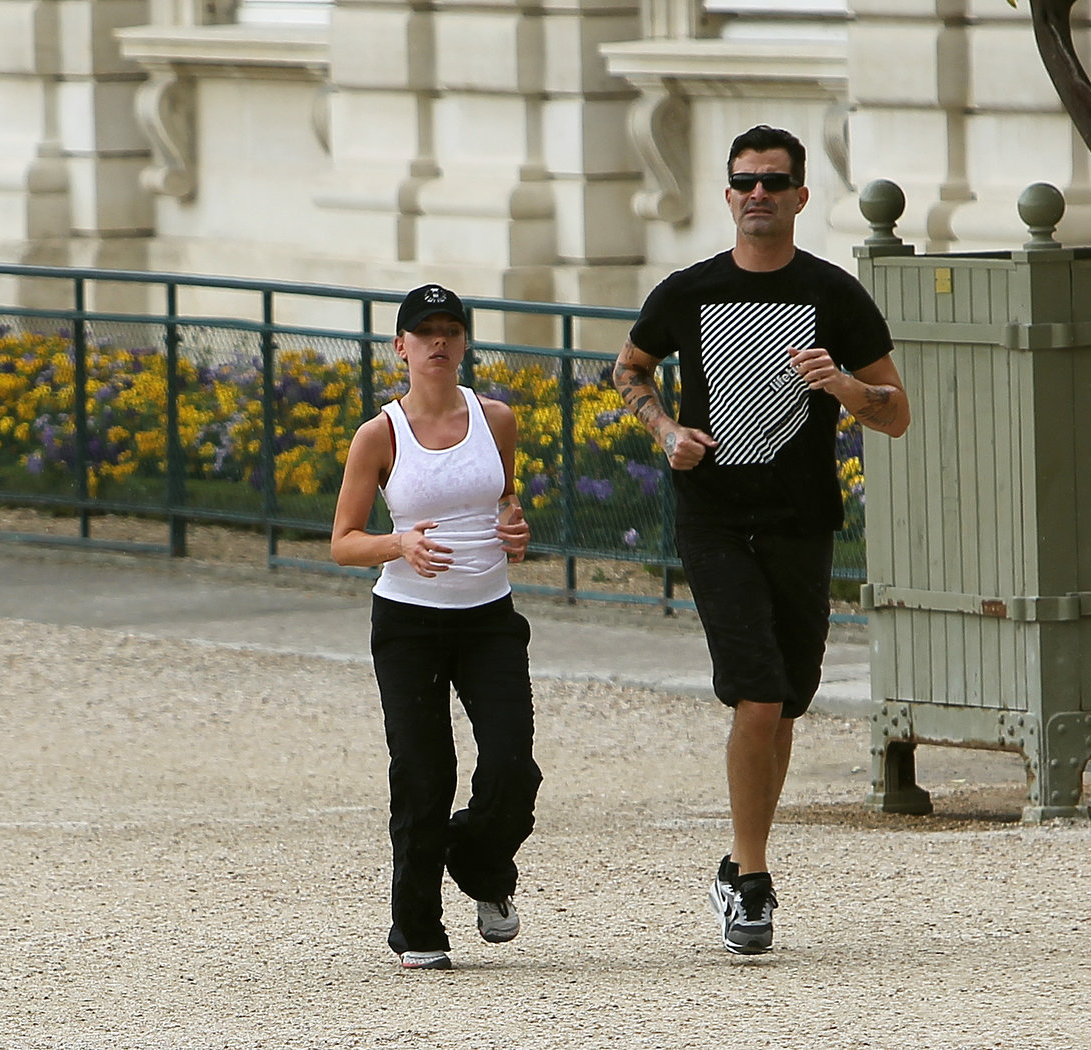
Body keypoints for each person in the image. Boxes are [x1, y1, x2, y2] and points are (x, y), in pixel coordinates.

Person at [612, 125, 910, 955]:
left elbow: (896, 413)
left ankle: (740, 862)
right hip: (713, 517)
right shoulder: (689, 290)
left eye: (775, 182)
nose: (758, 194)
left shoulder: (832, 295)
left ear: (800, 197)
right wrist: (664, 427)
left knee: (786, 697)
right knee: (758, 690)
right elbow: (629, 368)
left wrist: (847, 386)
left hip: (801, 519)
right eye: (745, 180)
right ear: (728, 192)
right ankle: (750, 878)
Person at [330, 283, 543, 971]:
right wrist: (400, 545)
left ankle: (479, 865)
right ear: (402, 347)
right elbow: (343, 541)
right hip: (408, 622)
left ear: (464, 343)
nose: (440, 343)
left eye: (451, 330)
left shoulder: (496, 418)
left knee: (513, 766)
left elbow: (503, 500)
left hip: (489, 616)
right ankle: (417, 930)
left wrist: (514, 524)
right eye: (426, 334)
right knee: (425, 773)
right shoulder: (380, 434)